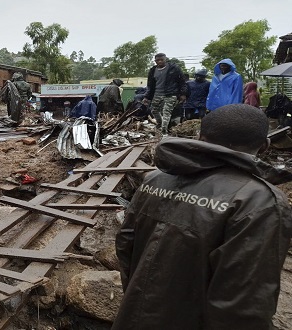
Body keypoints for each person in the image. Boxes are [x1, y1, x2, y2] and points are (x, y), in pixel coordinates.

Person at [113, 104, 292, 330]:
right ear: (265, 146)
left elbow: (125, 245)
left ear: (200, 137)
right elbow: (244, 302)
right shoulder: (259, 201)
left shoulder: (155, 180)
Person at [143, 53, 187, 135]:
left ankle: (164, 131)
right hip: (157, 94)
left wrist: (183, 94)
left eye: (161, 59)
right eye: (157, 60)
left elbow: (182, 82)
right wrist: (146, 96)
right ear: (155, 61)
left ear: (165, 59)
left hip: (170, 94)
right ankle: (160, 124)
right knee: (154, 110)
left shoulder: (174, 69)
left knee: (166, 112)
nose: (159, 61)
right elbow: (150, 85)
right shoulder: (153, 70)